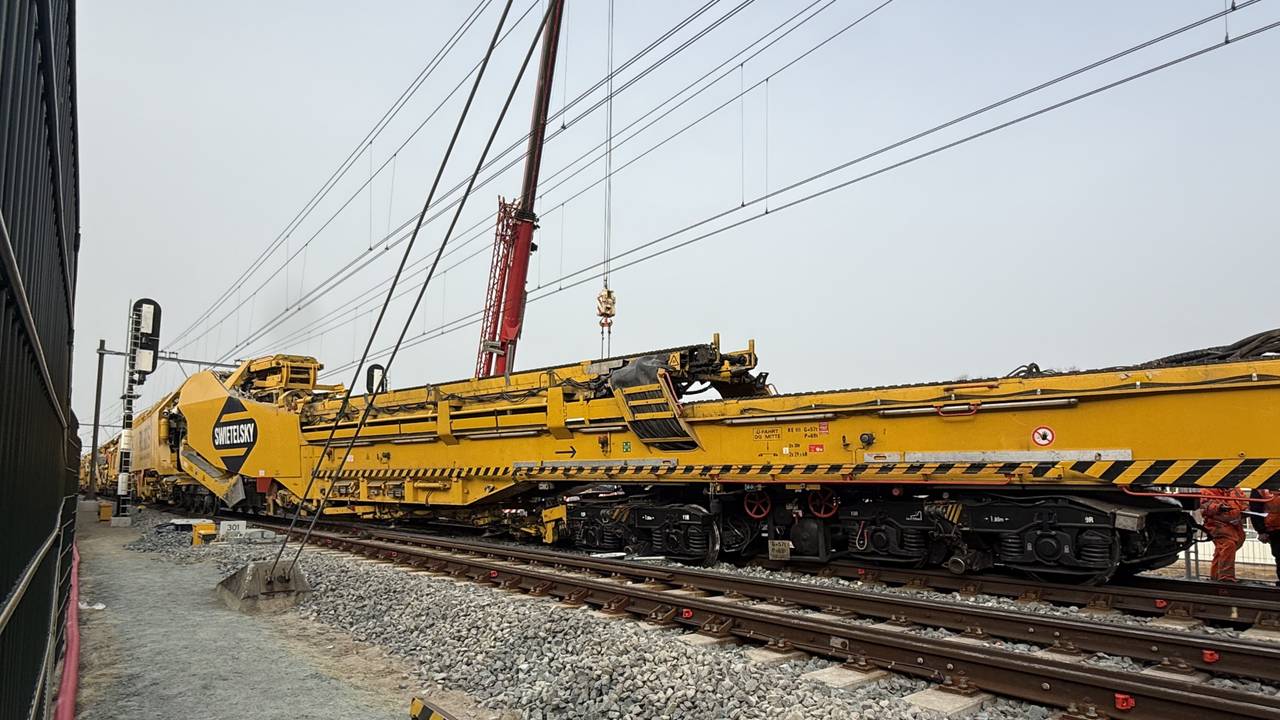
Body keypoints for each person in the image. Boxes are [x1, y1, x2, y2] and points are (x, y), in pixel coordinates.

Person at [1200, 488, 1247, 582]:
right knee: (1228, 545)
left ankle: (1215, 576)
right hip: (1217, 525)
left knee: (1222, 550)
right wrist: (1218, 507)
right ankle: (1226, 577)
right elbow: (1205, 507)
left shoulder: (1236, 490)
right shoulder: (1207, 490)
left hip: (1235, 525)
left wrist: (1245, 511)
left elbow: (1244, 503)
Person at [1250, 488, 1280, 585]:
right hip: (1275, 529)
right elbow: (1255, 510)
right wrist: (1261, 530)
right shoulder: (1260, 489)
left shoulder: (1260, 489)